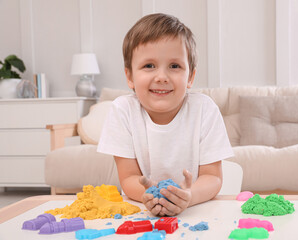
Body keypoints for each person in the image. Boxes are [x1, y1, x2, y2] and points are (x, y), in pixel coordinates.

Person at [97, 13, 234, 216]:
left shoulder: (205, 109)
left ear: (191, 77)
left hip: (195, 210)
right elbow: (128, 178)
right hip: (145, 211)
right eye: (149, 66)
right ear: (130, 76)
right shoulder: (122, 111)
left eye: (175, 66)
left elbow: (213, 178)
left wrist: (189, 195)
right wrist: (150, 194)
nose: (161, 77)